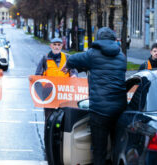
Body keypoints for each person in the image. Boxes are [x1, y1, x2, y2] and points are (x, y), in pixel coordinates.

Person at [61, 27, 127, 165]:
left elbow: (74, 58)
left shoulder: (92, 54)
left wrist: (67, 64)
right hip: (120, 110)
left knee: (99, 150)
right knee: (117, 148)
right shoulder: (121, 56)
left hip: (100, 110)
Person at [35, 37, 78, 122]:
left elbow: (74, 70)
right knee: (49, 119)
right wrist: (34, 80)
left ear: (62, 46)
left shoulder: (67, 58)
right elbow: (38, 75)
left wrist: (74, 75)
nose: (56, 47)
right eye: (54, 45)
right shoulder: (45, 59)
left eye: (59, 45)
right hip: (49, 95)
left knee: (64, 119)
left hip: (64, 94)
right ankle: (48, 134)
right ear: (50, 45)